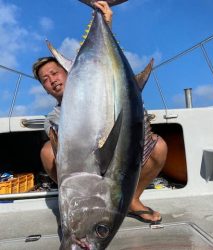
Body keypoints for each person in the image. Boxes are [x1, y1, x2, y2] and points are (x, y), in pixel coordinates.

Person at [33, 1, 167, 224]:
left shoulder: (101, 89)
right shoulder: (53, 117)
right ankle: (76, 200)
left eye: (55, 73)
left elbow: (108, 71)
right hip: (91, 169)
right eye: (45, 80)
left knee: (159, 147)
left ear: (70, 71)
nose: (52, 81)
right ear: (45, 90)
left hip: (118, 161)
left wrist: (106, 23)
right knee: (49, 151)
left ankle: (132, 199)